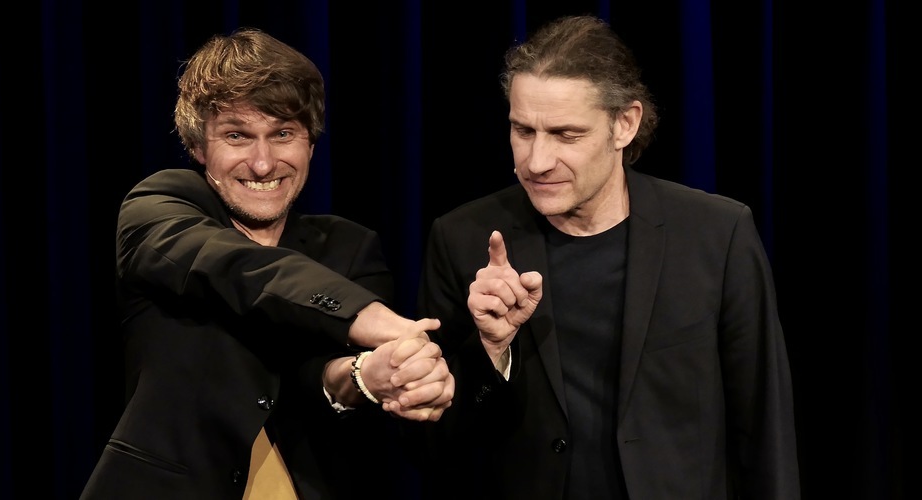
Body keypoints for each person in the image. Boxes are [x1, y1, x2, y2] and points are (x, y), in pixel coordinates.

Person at [411, 14, 800, 499]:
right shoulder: (462, 239)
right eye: (523, 130)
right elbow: (432, 447)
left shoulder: (716, 234)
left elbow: (763, 428)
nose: (537, 161)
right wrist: (491, 350)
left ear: (624, 124)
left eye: (566, 135)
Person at [80, 27, 453, 500]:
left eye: (283, 134)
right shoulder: (158, 206)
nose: (262, 163)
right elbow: (239, 268)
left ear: (311, 144)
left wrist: (370, 373)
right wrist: (380, 321)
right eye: (237, 135)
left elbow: (317, 373)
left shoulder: (350, 247)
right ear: (199, 147)